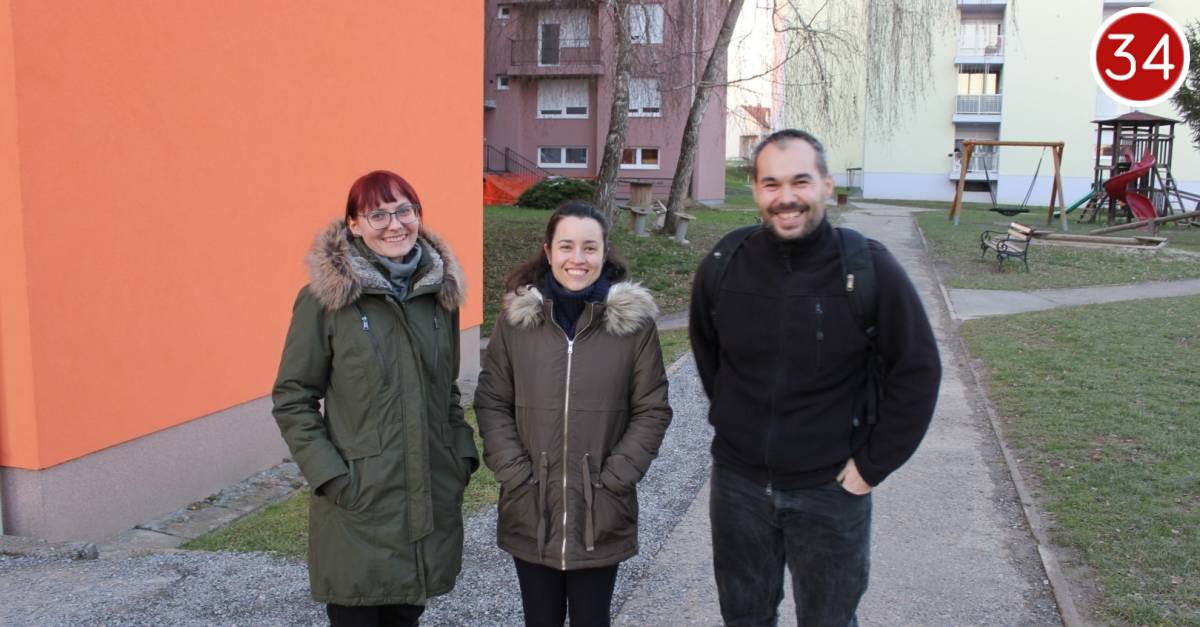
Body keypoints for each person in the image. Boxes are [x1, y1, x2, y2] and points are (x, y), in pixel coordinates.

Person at [689, 129, 942, 626]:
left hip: (831, 490)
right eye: (771, 184)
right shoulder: (724, 264)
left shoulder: (868, 267)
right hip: (739, 487)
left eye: (800, 181)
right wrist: (737, 424)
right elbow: (709, 355)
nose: (786, 197)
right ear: (756, 190)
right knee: (743, 618)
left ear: (827, 184)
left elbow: (917, 370)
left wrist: (873, 464)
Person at [272, 170, 478, 627]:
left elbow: (446, 389)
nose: (394, 224)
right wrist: (331, 477)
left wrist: (460, 455)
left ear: (418, 215)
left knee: (407, 614)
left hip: (427, 496)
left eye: (404, 210)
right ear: (353, 224)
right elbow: (293, 397)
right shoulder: (326, 300)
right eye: (377, 214)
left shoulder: (438, 296)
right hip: (359, 502)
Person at [474, 200, 672, 627]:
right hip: (532, 504)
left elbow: (652, 409)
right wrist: (516, 473)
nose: (577, 259)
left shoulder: (632, 326)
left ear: (605, 252)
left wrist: (615, 477)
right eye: (566, 246)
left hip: (601, 507)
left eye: (589, 247)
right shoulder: (517, 321)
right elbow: (492, 401)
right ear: (548, 252)